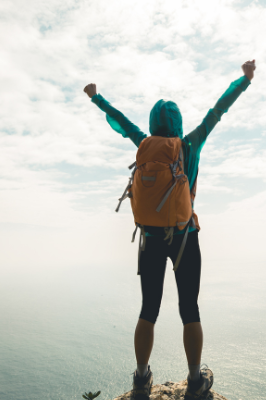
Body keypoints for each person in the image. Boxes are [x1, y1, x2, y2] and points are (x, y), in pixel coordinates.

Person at [83, 60, 255, 400]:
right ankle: (194, 381)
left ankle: (140, 380)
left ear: (153, 124)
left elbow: (121, 122)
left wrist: (96, 99)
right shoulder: (189, 145)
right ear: (176, 124)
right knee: (189, 308)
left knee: (149, 308)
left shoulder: (144, 144)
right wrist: (244, 80)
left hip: (149, 237)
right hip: (184, 237)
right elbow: (217, 111)